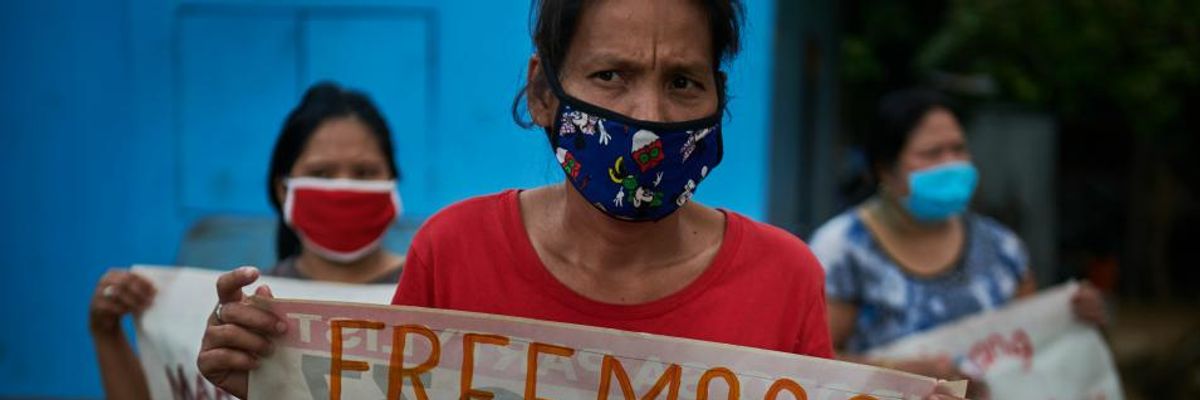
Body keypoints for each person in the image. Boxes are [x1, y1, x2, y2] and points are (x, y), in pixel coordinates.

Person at [201, 0, 962, 398]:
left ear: (717, 99)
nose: (650, 118)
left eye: (683, 82)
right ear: (542, 91)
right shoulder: (456, 251)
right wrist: (271, 381)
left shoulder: (784, 278)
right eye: (610, 76)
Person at [89, 82, 406, 399]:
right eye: (322, 173)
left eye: (364, 172)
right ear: (283, 190)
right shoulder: (243, 310)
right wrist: (108, 333)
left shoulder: (432, 290)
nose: (343, 188)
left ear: (392, 183)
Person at [808, 88, 1107, 388]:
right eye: (932, 153)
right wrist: (895, 373)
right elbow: (810, 362)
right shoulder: (843, 251)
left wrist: (1074, 315)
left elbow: (1034, 345)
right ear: (885, 169)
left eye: (958, 148)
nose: (951, 163)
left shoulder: (1003, 248)